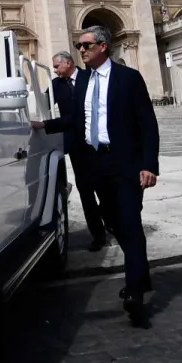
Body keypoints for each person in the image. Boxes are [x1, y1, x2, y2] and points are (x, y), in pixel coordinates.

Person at [40, 25, 160, 327]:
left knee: (130, 222)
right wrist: (43, 125)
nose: (81, 50)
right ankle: (141, 274)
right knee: (113, 222)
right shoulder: (82, 83)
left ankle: (134, 292)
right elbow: (75, 119)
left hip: (127, 163)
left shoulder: (128, 78)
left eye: (86, 45)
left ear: (103, 47)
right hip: (96, 164)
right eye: (79, 46)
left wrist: (149, 165)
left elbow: (148, 123)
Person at [50, 50, 108, 252]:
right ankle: (98, 236)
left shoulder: (89, 77)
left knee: (104, 188)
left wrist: (48, 124)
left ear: (68, 63)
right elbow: (41, 102)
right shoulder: (55, 85)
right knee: (85, 191)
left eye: (57, 66)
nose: (55, 70)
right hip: (75, 146)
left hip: (96, 143)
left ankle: (110, 222)